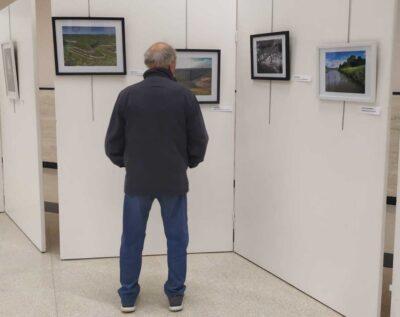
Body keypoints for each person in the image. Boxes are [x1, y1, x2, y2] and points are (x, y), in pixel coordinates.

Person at [105, 42, 208, 313]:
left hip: (137, 180)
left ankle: (127, 296)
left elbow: (112, 143)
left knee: (131, 238)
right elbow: (199, 139)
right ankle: (175, 295)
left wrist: (127, 163)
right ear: (172, 65)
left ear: (149, 63)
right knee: (177, 238)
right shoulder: (185, 96)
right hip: (173, 180)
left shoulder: (127, 95)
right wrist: (189, 163)